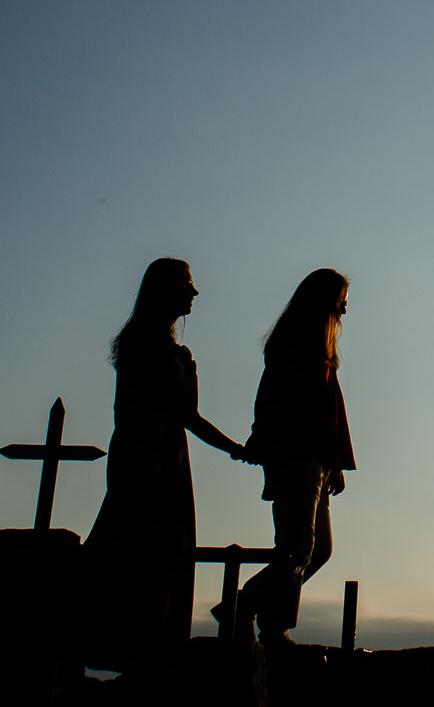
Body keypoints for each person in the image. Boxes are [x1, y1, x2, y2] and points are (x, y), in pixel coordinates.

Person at [81, 257, 247, 672]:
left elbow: (188, 416)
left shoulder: (177, 352)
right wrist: (145, 460)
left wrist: (235, 447)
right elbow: (130, 410)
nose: (194, 293)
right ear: (165, 289)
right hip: (144, 459)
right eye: (187, 284)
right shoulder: (140, 342)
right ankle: (131, 651)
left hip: (170, 460)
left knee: (168, 555)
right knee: (139, 553)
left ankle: (157, 652)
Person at [231, 267, 356, 643]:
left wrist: (333, 461)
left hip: (314, 459)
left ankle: (259, 612)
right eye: (341, 303)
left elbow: (327, 412)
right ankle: (260, 615)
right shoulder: (294, 348)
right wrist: (268, 444)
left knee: (318, 549)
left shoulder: (320, 354)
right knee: (298, 547)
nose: (344, 312)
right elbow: (276, 402)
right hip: (295, 457)